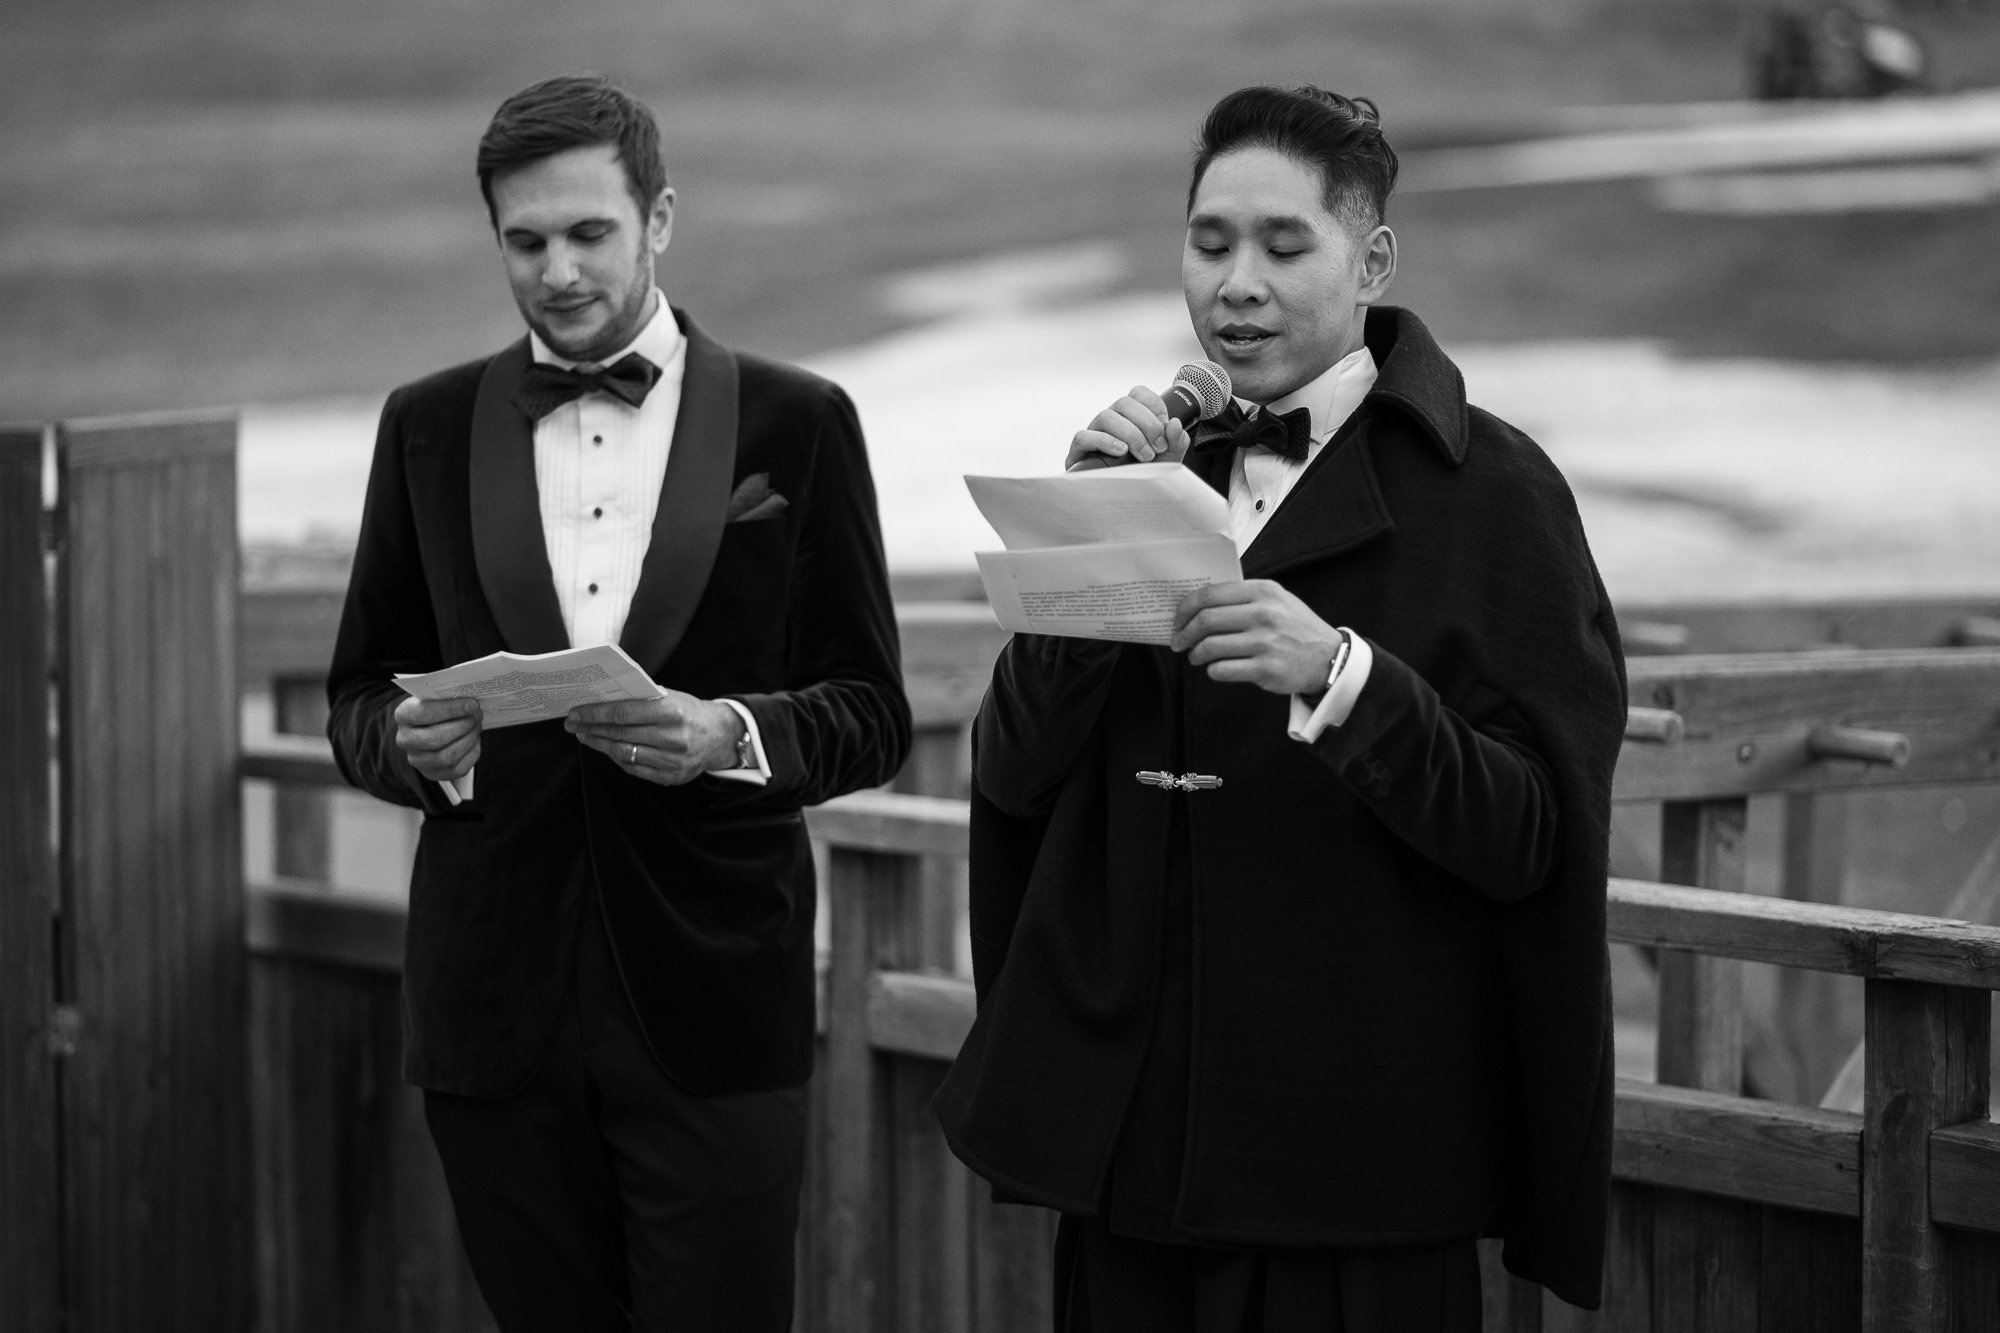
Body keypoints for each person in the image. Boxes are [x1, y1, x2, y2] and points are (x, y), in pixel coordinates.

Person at [933, 86, 1627, 1328]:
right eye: (1207, 244)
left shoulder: (1500, 492)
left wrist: (1344, 679)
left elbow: (1532, 834)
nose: (1234, 283)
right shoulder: (1152, 466)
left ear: (1371, 260)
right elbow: (1013, 772)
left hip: (1356, 1156)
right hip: (1129, 1144)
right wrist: (1083, 540)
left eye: (1281, 245)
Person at [326, 75, 910, 1331]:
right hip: (492, 1012)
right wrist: (409, 747)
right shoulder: (422, 425)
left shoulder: (799, 422)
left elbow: (869, 707)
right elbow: (358, 692)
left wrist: (728, 733)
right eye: (524, 242)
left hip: (713, 1001)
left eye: (589, 232)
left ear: (658, 219)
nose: (557, 271)